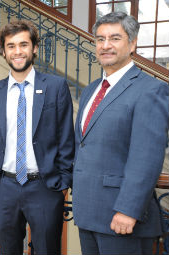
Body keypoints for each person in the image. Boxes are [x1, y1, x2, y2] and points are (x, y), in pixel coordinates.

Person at [73, 12, 169, 255]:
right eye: (100, 39)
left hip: (123, 219)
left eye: (115, 38)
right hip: (88, 214)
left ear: (133, 43)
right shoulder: (91, 90)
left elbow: (146, 157)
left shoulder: (151, 90)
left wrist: (128, 209)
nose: (105, 45)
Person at [0, 20, 74, 255]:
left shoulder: (55, 86)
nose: (17, 51)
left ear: (34, 48)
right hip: (5, 188)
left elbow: (65, 137)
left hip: (44, 187)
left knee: (47, 250)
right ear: (3, 51)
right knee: (8, 250)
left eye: (23, 44)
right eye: (11, 46)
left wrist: (62, 183)